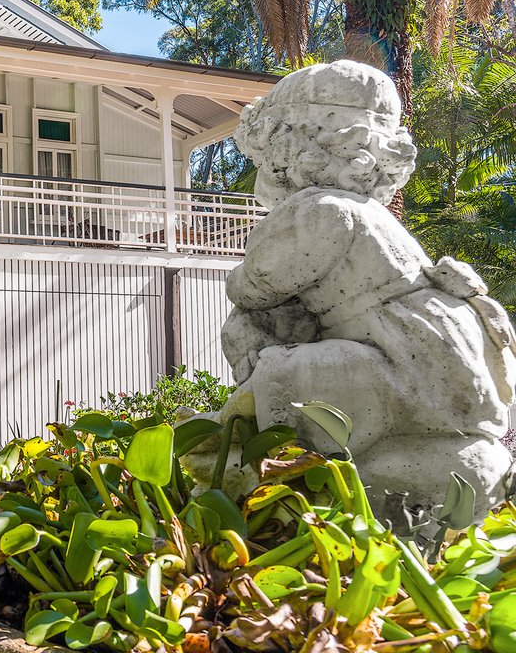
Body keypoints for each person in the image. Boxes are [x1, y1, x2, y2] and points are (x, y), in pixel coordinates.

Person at [219, 60, 515, 522]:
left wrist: (243, 284)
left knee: (291, 373)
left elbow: (256, 286)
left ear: (290, 149)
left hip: (393, 344)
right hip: (428, 335)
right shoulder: (365, 211)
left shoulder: (323, 211)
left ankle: (253, 457)